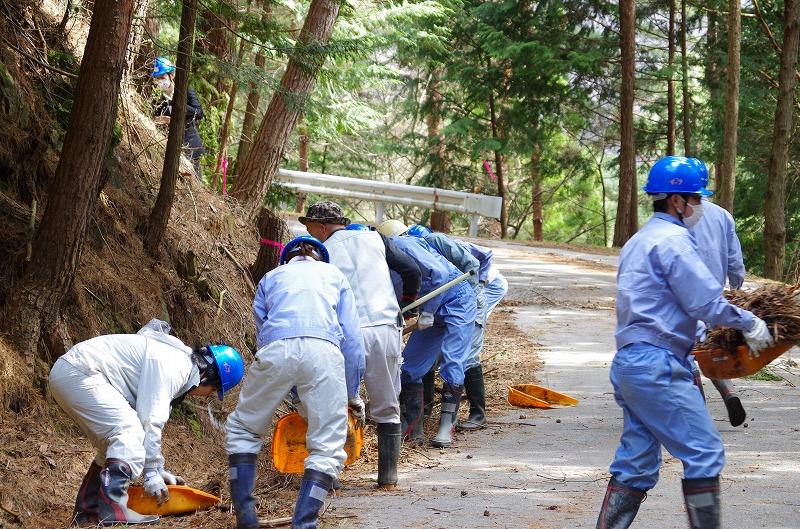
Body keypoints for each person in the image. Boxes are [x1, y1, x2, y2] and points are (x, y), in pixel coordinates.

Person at [595, 156, 774, 529]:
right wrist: (752, 323)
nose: (699, 207)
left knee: (635, 464)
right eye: (696, 199)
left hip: (630, 364)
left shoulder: (638, 241)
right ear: (677, 201)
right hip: (659, 366)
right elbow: (705, 303)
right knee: (705, 453)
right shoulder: (675, 241)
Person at [225, 236, 366, 529]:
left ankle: (246, 518)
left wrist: (289, 384)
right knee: (327, 446)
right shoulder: (335, 276)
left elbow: (263, 331)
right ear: (321, 259)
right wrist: (351, 394)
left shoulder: (271, 277)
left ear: (286, 259)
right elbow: (352, 341)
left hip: (276, 350)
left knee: (244, 428)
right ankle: (304, 524)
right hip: (325, 354)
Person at [48, 319, 244, 526]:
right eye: (213, 392)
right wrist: (150, 474)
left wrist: (158, 470)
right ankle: (113, 510)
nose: (205, 397)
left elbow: (148, 422)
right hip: (82, 373)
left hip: (73, 372)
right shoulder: (176, 365)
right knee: (128, 431)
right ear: (208, 378)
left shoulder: (176, 363)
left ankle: (88, 513)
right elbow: (150, 420)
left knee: (114, 446)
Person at [298, 202, 421, 490]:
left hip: (346, 332)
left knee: (335, 400)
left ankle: (330, 477)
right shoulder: (375, 237)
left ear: (322, 226)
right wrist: (406, 304)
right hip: (385, 326)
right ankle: (388, 478)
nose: (308, 231)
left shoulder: (319, 254)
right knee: (388, 402)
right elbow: (411, 269)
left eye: (310, 226)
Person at [376, 220, 477, 448]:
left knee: (452, 361)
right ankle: (412, 428)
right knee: (410, 367)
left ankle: (446, 428)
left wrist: (428, 312)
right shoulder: (379, 261)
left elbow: (439, 275)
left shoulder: (403, 244)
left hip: (457, 298)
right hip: (430, 307)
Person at [401, 223, 492, 431]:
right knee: (426, 357)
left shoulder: (435, 241)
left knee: (465, 357)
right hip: (440, 301)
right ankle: (423, 412)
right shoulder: (415, 253)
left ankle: (478, 414)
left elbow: (477, 261)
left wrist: (474, 288)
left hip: (468, 300)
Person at [688, 157, 748, 427]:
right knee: (711, 350)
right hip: (714, 295)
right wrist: (736, 288)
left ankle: (698, 409)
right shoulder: (723, 215)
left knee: (688, 353)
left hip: (684, 296)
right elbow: (735, 261)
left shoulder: (676, 217)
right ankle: (729, 392)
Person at [151, 57, 206, 179]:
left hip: (190, 143)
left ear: (172, 75)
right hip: (170, 148)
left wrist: (178, 105)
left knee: (196, 180)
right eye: (157, 79)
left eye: (162, 77)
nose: (160, 81)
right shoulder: (158, 100)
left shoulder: (185, 91)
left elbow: (199, 113)